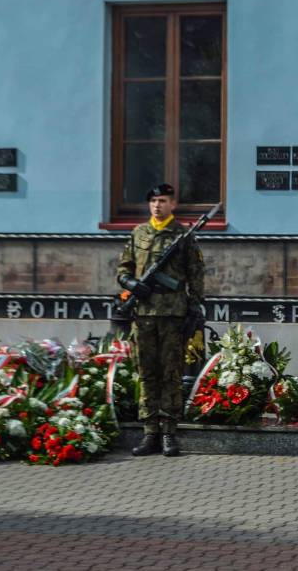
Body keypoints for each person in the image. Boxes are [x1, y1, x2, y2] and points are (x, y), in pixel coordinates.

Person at [116, 184, 205, 457]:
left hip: (172, 314)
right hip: (143, 314)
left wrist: (194, 306)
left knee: (171, 374)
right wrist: (131, 283)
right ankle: (149, 432)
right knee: (146, 372)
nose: (157, 205)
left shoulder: (183, 235)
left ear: (173, 204)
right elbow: (123, 268)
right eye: (154, 201)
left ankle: (168, 432)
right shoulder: (138, 233)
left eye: (163, 201)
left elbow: (196, 273)